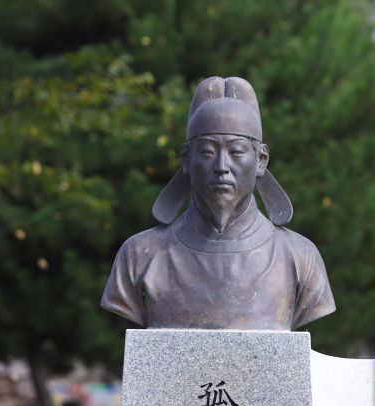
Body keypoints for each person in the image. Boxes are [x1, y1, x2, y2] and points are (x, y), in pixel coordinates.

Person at [101, 76, 335, 330]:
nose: (221, 167)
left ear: (261, 160)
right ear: (186, 159)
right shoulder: (140, 255)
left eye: (236, 152)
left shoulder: (300, 257)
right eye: (207, 152)